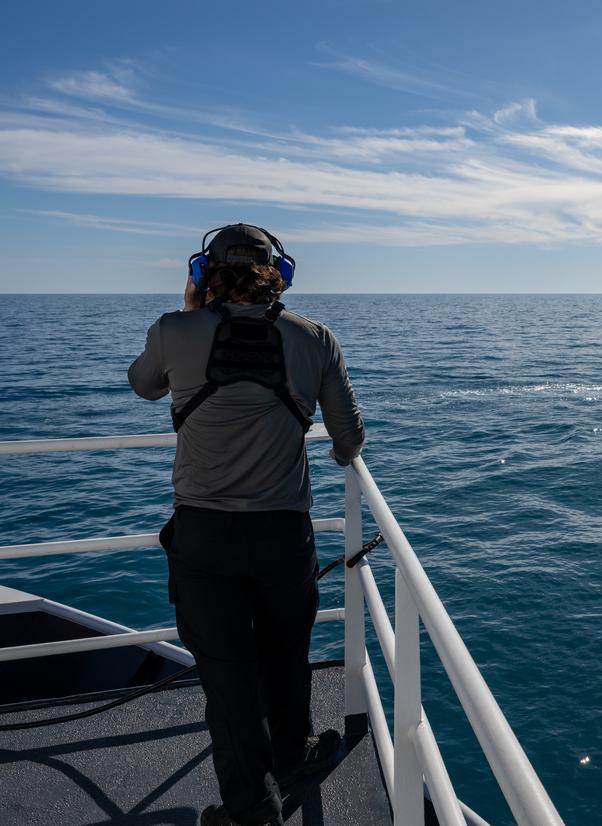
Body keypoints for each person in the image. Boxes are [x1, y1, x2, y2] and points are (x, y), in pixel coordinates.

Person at [129, 224, 365, 826]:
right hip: (284, 535)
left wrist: (190, 314)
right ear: (278, 276)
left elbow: (143, 386)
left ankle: (251, 806)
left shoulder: (174, 331)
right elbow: (349, 439)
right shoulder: (316, 339)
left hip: (204, 538)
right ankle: (292, 758)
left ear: (205, 276)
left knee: (228, 675)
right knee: (288, 653)